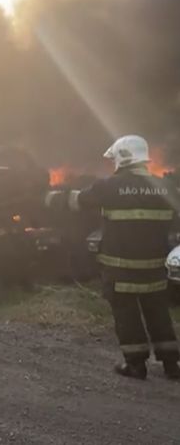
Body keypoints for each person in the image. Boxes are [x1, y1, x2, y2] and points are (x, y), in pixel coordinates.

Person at [47, 135, 180, 380]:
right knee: (158, 313)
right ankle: (172, 366)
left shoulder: (109, 187)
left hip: (121, 270)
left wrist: (47, 198)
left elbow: (76, 201)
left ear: (121, 157)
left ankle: (136, 365)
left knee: (127, 314)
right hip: (156, 268)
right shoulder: (166, 187)